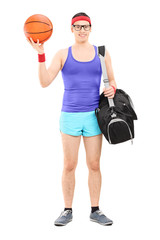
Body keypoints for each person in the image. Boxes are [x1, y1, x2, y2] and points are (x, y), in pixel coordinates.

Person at [27, 12, 117, 226]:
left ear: (90, 29)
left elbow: (112, 80)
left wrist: (111, 88)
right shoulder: (62, 54)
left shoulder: (101, 53)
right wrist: (41, 55)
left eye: (86, 26)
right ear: (72, 29)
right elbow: (44, 81)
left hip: (94, 116)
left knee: (94, 164)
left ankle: (95, 210)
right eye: (78, 27)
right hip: (69, 116)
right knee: (69, 164)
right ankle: (67, 210)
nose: (82, 30)